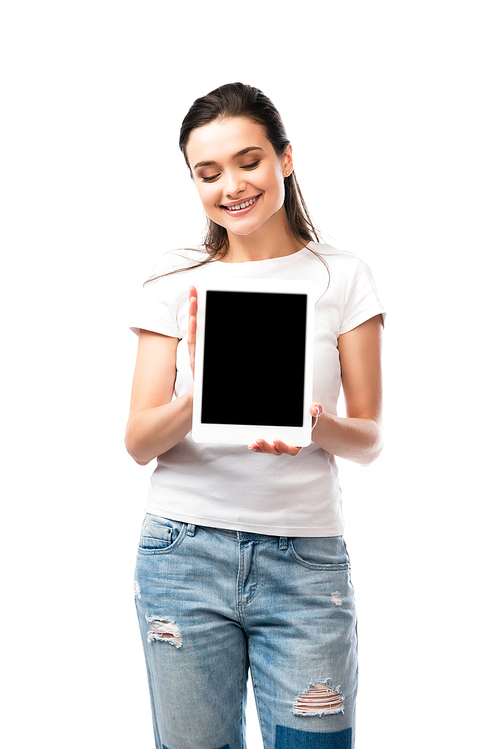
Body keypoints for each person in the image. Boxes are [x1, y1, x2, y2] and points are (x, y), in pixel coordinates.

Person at [126, 82, 385, 749]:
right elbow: (137, 440)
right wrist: (198, 398)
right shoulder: (172, 277)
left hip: (305, 564)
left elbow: (370, 436)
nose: (231, 186)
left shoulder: (342, 275)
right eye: (207, 173)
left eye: (249, 161)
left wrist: (312, 426)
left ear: (285, 159)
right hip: (183, 554)